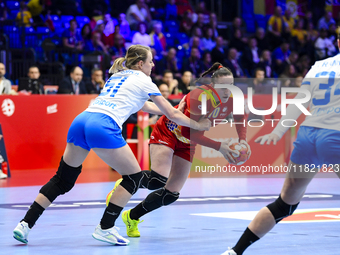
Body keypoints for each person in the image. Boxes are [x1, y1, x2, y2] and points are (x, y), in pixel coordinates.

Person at [13, 44, 211, 245]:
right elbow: (172, 114)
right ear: (141, 63)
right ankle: (105, 227)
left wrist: (173, 108)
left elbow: (142, 105)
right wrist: (197, 124)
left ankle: (25, 224)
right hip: (102, 125)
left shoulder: (117, 75)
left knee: (62, 180)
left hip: (81, 120)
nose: (153, 64)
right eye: (151, 61)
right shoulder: (145, 80)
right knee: (133, 177)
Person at [221, 30, 340, 255]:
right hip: (335, 136)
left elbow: (299, 102)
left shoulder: (320, 65)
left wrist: (277, 131)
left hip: (308, 138)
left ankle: (235, 251)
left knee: (284, 204)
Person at [106, 63, 250, 238]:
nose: (227, 91)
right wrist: (220, 147)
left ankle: (132, 216)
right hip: (169, 131)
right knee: (157, 180)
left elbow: (241, 117)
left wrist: (243, 141)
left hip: (188, 142)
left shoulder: (234, 98)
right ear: (213, 86)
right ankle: (124, 186)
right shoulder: (199, 97)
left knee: (171, 194)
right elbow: (186, 131)